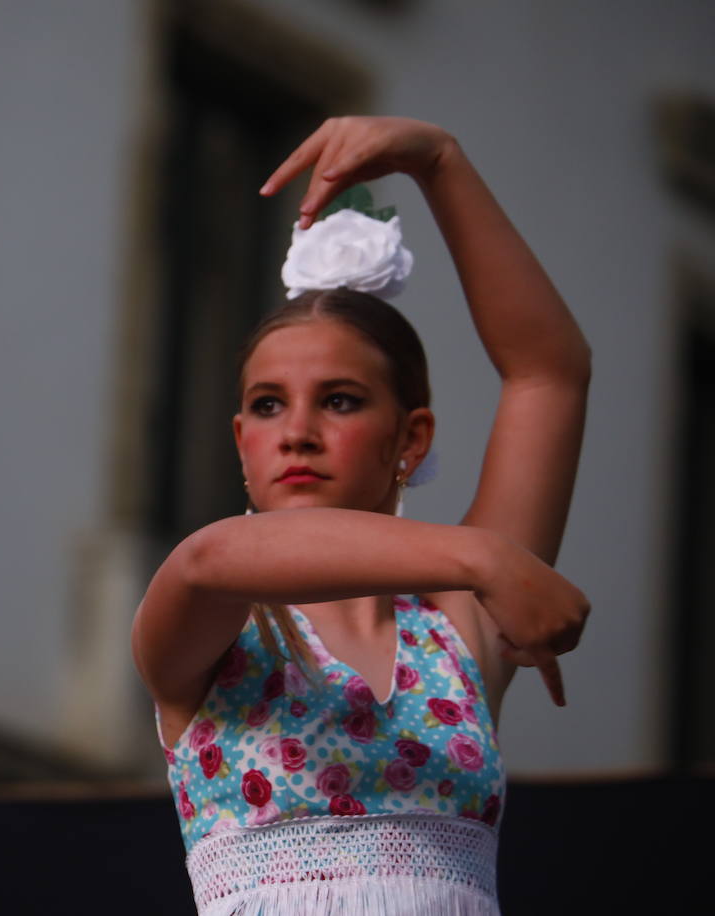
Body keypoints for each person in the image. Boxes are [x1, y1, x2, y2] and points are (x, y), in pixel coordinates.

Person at [130, 116, 591, 914]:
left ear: (411, 437)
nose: (298, 432)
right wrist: (485, 558)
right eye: (268, 406)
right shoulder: (215, 622)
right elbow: (213, 561)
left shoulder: (455, 628)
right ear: (241, 440)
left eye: (339, 401)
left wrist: (439, 159)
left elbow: (548, 375)